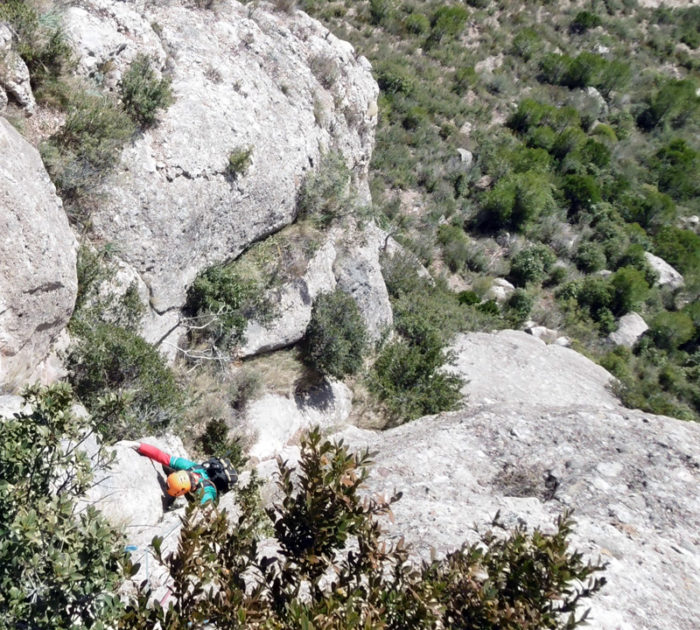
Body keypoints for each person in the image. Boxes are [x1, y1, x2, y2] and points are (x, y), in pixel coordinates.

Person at [122, 441, 217, 505]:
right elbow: (161, 456)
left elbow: (206, 509)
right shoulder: (189, 467)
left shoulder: (206, 493)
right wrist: (138, 445)